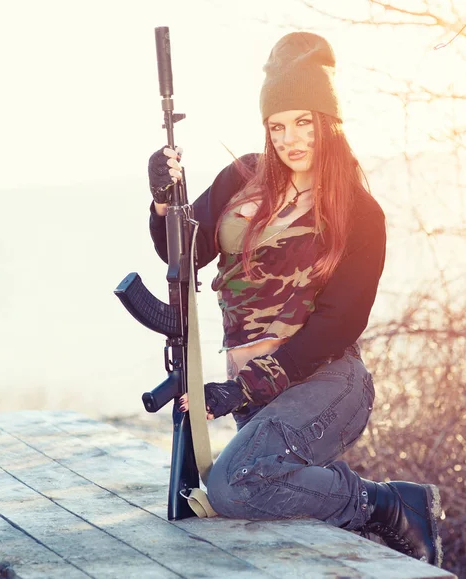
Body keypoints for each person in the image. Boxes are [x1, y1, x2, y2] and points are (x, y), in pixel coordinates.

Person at [147, 32, 442, 567]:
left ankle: (387, 503)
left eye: (304, 121)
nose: (290, 138)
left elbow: (340, 323)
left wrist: (240, 389)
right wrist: (164, 204)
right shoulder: (241, 179)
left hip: (328, 381)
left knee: (236, 488)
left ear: (328, 122)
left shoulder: (359, 211)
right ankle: (374, 524)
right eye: (277, 125)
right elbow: (184, 261)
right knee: (252, 503)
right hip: (252, 390)